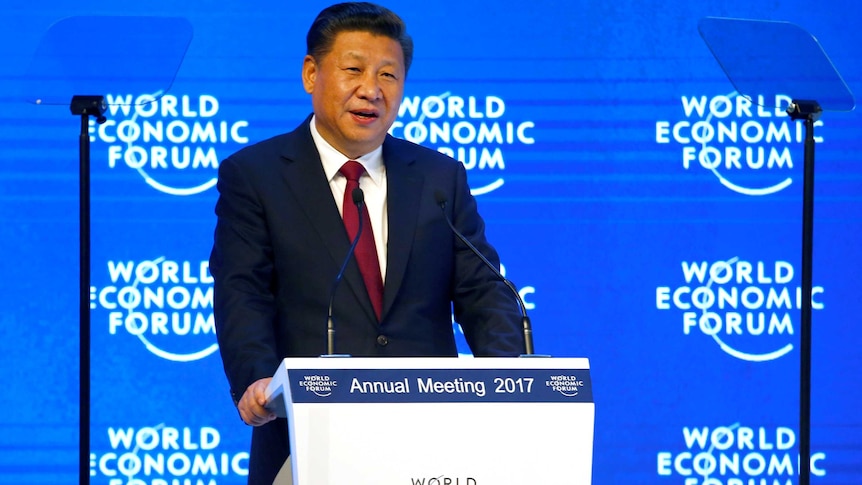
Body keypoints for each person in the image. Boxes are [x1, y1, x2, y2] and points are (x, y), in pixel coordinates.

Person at [209, 2, 526, 483]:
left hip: (431, 437)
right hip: (306, 435)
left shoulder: (440, 178)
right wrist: (256, 376)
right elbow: (242, 290)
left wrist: (510, 379)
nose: (371, 90)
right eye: (353, 70)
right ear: (311, 74)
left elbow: (484, 291)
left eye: (388, 75)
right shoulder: (256, 176)